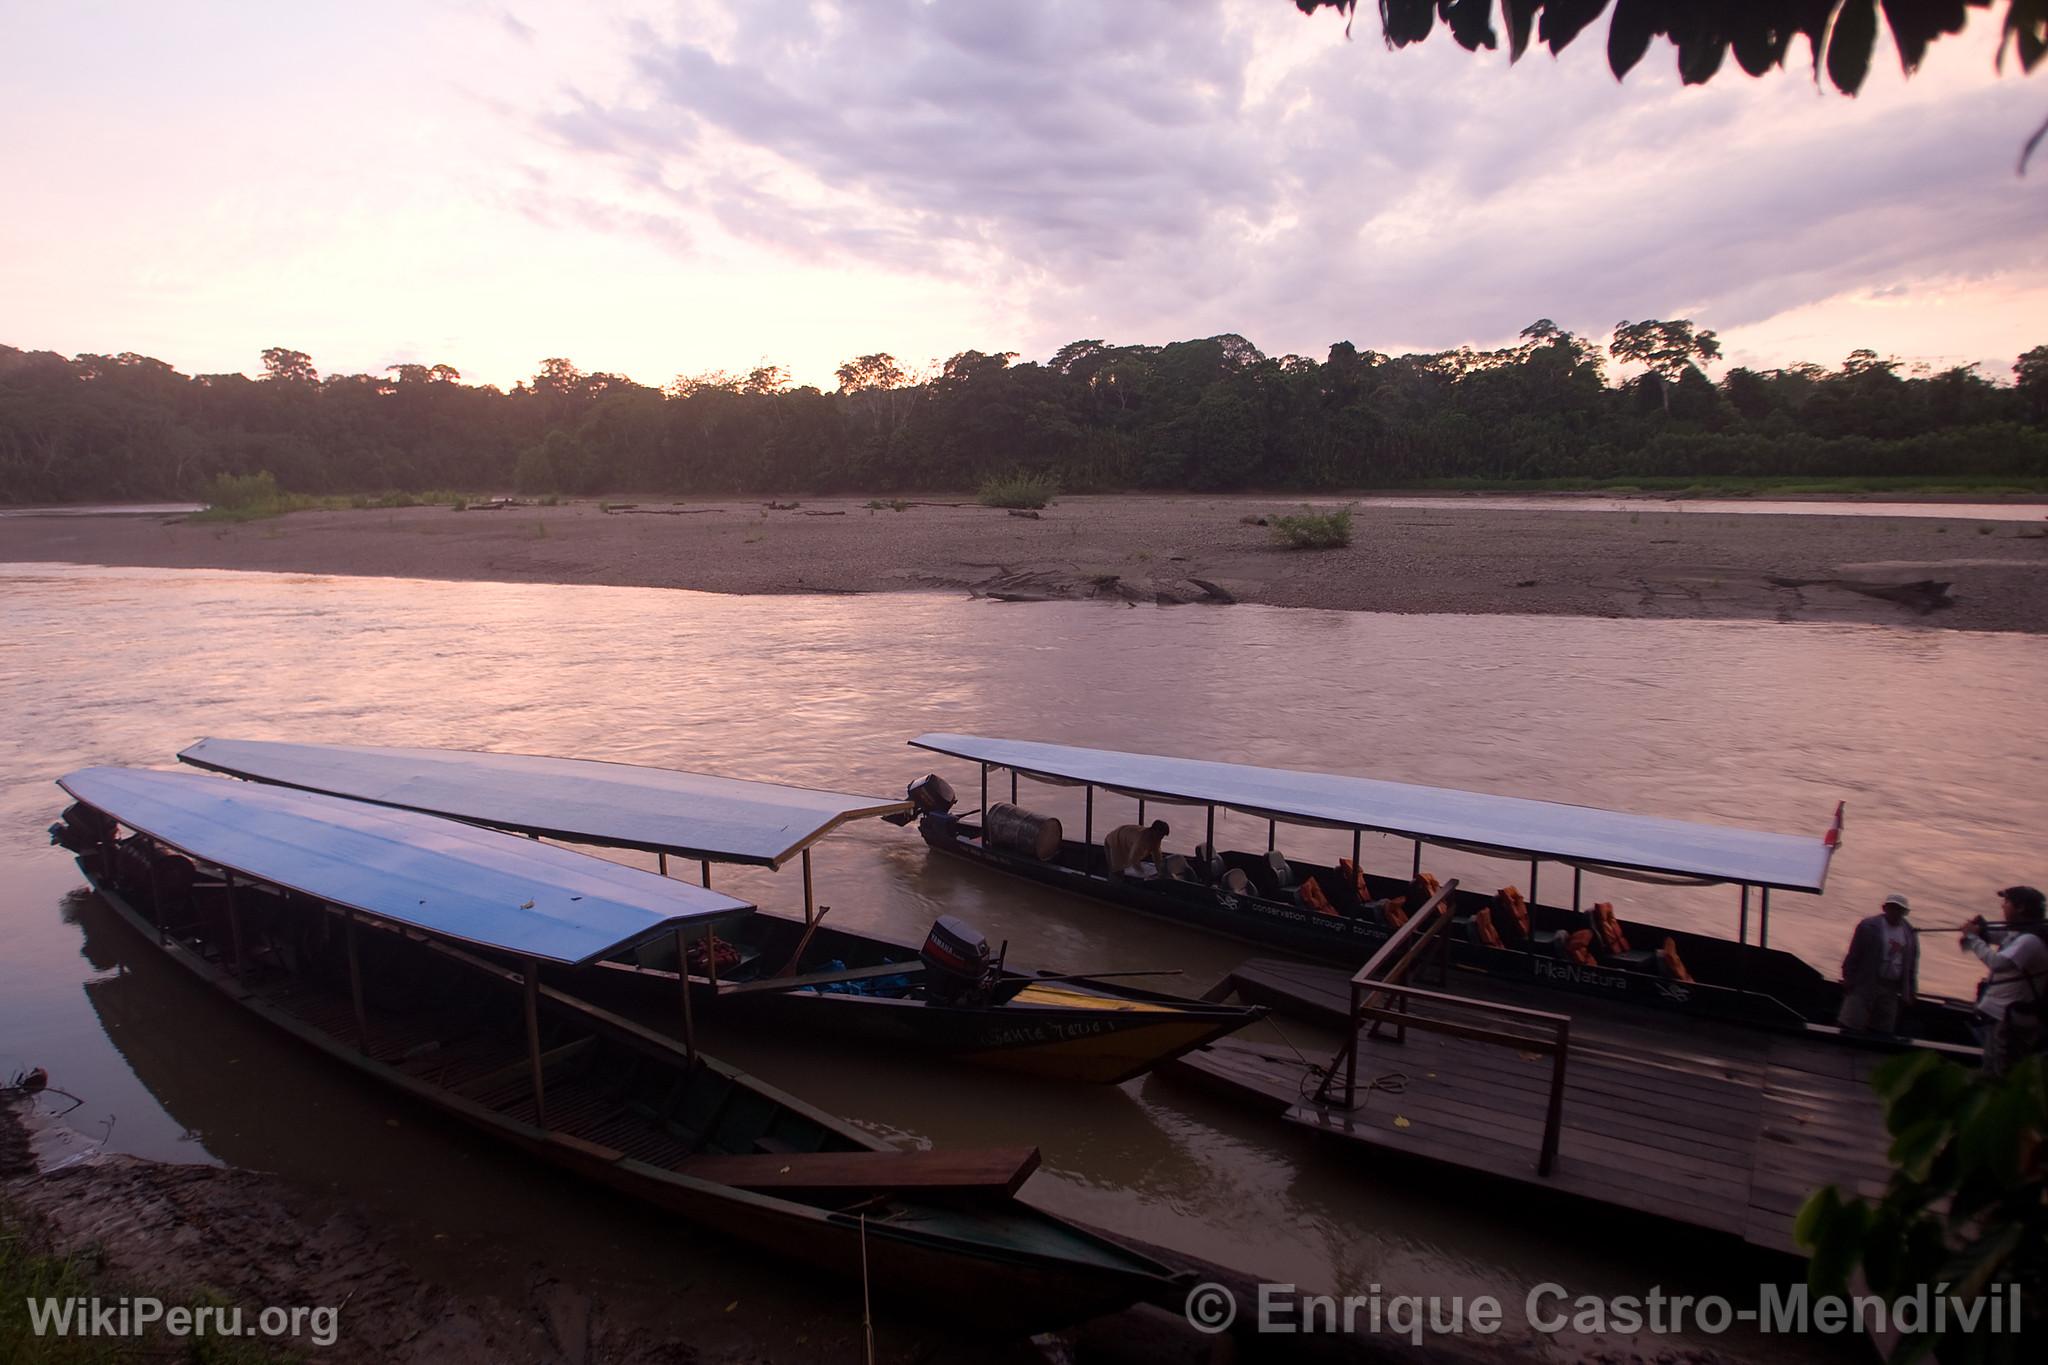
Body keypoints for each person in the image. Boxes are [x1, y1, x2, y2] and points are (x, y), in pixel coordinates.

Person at [1961, 885, 2047, 1077]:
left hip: (2009, 1022)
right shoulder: (2019, 934)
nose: (2002, 906)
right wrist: (1980, 930)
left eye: (2006, 902)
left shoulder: (2030, 941)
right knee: (1991, 1067)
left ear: (2021, 908)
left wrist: (1973, 938)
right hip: (2001, 1018)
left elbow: (1997, 962)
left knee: (2000, 1073)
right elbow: (1995, 935)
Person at [1838, 893, 1918, 1034]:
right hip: (1865, 982)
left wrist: (1910, 991)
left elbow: (1911, 966)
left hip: (1891, 987)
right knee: (1851, 1022)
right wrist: (1848, 977)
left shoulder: (1910, 933)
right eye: (1892, 907)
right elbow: (1854, 954)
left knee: (1882, 1028)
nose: (1895, 912)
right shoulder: (1868, 926)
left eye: (1899, 909)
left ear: (1905, 912)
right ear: (1884, 908)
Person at [1103, 819, 1169, 881]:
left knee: (1122, 869)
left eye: (1162, 835)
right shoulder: (1141, 839)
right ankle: (1113, 888)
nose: (1161, 837)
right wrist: (1143, 873)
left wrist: (1160, 872)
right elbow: (1133, 859)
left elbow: (1157, 856)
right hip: (1115, 841)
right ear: (1153, 830)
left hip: (1124, 842)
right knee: (1116, 871)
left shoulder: (1156, 839)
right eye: (1160, 834)